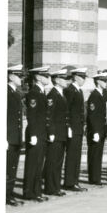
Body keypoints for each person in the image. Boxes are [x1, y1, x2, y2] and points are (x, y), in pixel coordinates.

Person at [23, 66, 50, 202]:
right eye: (45, 75)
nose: (48, 78)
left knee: (39, 163)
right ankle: (29, 192)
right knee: (33, 163)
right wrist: (33, 133)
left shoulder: (42, 92)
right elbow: (32, 115)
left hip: (41, 133)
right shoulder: (34, 93)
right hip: (36, 133)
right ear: (38, 77)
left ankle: (36, 191)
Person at [43, 68, 71, 197]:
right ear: (58, 80)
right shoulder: (53, 95)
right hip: (56, 133)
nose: (67, 81)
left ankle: (56, 186)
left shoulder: (61, 94)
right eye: (64, 79)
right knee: (52, 161)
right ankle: (50, 187)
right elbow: (49, 115)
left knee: (58, 161)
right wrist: (51, 132)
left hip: (62, 133)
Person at [63, 66, 87, 192]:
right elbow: (66, 109)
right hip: (72, 127)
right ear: (76, 77)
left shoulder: (79, 90)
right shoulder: (70, 90)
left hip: (78, 128)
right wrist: (68, 126)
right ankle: (69, 182)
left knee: (76, 155)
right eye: (82, 77)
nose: (84, 80)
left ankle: (74, 181)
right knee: (72, 155)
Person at [6, 64, 25, 206]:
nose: (21, 79)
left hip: (15, 137)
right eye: (19, 76)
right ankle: (5, 195)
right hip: (9, 137)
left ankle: (9, 194)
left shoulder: (15, 93)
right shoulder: (5, 92)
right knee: (7, 168)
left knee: (13, 167)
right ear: (11, 76)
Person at [86, 71, 107, 186]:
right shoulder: (94, 95)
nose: (106, 83)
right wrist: (95, 131)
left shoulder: (101, 95)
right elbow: (92, 115)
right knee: (94, 155)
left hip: (101, 130)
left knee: (98, 155)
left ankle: (96, 177)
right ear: (98, 82)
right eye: (104, 81)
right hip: (96, 131)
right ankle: (94, 178)